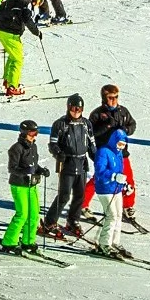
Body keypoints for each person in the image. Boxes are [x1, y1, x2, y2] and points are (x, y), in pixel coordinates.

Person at [87, 82, 142, 229]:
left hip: (121, 152)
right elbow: (90, 133)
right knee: (101, 178)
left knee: (128, 179)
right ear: (104, 98)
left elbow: (132, 124)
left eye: (116, 97)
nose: (113, 100)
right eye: (110, 98)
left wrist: (125, 129)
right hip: (105, 152)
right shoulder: (97, 114)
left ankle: (128, 206)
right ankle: (83, 203)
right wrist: (107, 127)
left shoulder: (122, 111)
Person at [42, 95, 93, 241]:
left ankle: (73, 220)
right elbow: (53, 144)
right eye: (73, 108)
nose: (76, 111)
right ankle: (50, 222)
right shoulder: (60, 124)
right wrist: (58, 153)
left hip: (82, 162)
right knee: (64, 195)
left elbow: (91, 143)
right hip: (67, 163)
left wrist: (97, 157)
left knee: (80, 194)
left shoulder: (86, 124)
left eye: (79, 109)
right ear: (68, 107)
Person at [1, 119, 49, 256]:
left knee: (34, 214)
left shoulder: (33, 147)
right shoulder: (16, 148)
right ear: (23, 133)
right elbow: (12, 168)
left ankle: (28, 240)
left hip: (31, 185)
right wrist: (25, 173)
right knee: (22, 214)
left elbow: (33, 166)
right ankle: (8, 242)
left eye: (36, 133)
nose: (34, 136)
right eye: (31, 133)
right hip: (19, 185)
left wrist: (40, 170)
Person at [89, 128, 131, 255]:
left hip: (116, 189)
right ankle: (104, 243)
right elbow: (100, 171)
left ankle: (115, 242)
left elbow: (120, 172)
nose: (120, 147)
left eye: (123, 145)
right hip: (105, 189)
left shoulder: (119, 154)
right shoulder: (103, 151)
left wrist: (124, 184)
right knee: (111, 215)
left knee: (118, 216)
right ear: (113, 141)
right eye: (119, 144)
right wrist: (113, 176)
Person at [0, 0, 41, 97]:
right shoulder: (27, 4)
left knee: (12, 56)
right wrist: (37, 32)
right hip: (11, 34)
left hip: (1, 31)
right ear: (35, 0)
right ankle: (12, 87)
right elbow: (27, 19)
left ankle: (7, 80)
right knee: (18, 60)